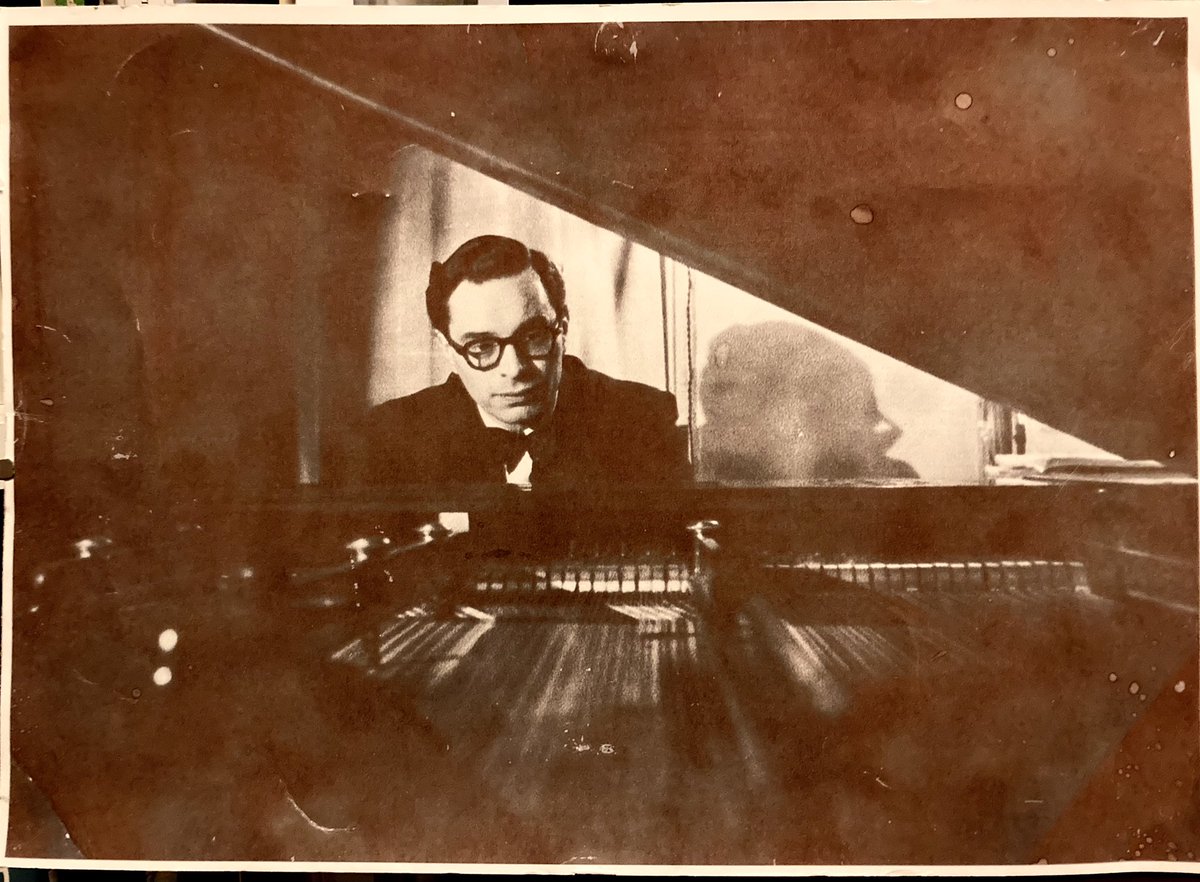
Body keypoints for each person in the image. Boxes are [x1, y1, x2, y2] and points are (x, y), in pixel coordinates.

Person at [366, 235, 690, 487]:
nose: (515, 369)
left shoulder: (644, 422)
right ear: (447, 348)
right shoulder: (389, 440)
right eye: (482, 347)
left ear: (562, 328)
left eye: (533, 338)